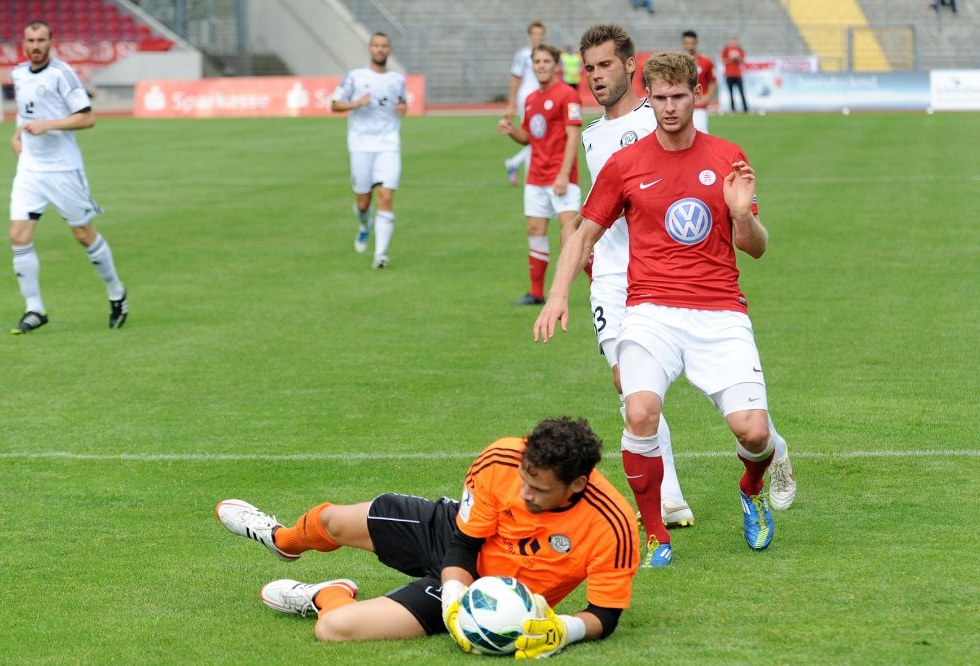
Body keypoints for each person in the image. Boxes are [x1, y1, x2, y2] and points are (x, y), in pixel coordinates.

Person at [534, 51, 795, 560]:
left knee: (754, 432)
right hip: (651, 311)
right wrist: (558, 293)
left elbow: (756, 247)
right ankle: (658, 533)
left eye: (679, 96)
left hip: (720, 311)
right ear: (648, 98)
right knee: (639, 412)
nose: (669, 107)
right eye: (660, 98)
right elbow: (584, 235)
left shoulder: (727, 156)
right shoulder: (625, 164)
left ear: (696, 95)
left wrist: (743, 216)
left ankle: (752, 489)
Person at [215, 416, 639, 659]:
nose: (525, 494)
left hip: (491, 595)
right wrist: (454, 589)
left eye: (539, 490)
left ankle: (325, 595)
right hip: (455, 539)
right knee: (332, 520)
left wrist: (563, 630)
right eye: (524, 481)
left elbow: (605, 614)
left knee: (335, 628)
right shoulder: (501, 459)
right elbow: (465, 543)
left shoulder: (612, 524)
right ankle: (282, 540)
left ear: (577, 483)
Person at [578, 25, 694, 562]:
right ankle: (669, 499)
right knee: (629, 385)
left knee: (710, 386)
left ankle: (766, 448)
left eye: (605, 65)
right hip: (611, 275)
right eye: (590, 68)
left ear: (630, 65)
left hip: (663, 272)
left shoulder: (660, 116)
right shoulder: (591, 135)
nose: (597, 76)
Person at [8, 20, 127, 334]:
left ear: (51, 42)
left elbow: (88, 118)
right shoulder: (18, 73)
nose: (36, 46)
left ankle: (117, 293)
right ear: (23, 43)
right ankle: (35, 309)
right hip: (30, 169)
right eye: (30, 40)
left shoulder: (62, 73)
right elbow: (25, 110)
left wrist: (48, 125)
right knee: (18, 235)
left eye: (41, 40)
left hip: (63, 169)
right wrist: (18, 134)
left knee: (83, 235)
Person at [498, 44, 583, 306]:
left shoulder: (568, 94)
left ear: (556, 65)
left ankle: (598, 288)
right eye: (537, 62)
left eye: (546, 61)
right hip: (535, 176)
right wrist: (511, 131)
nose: (541, 65)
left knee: (572, 234)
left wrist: (563, 174)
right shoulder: (531, 98)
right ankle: (536, 293)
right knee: (535, 229)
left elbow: (573, 136)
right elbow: (528, 137)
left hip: (561, 177)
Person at [331, 32, 407, 269]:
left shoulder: (397, 79)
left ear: (389, 50)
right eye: (376, 45)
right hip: (361, 145)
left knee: (386, 196)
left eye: (384, 46)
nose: (380, 49)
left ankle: (381, 254)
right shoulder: (355, 77)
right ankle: (365, 225)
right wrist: (356, 103)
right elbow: (334, 104)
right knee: (363, 203)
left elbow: (402, 103)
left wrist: (403, 108)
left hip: (388, 144)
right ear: (370, 49)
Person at [503, 21, 546, 186]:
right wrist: (511, 104)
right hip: (527, 99)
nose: (538, 37)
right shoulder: (522, 55)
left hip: (543, 98)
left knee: (541, 137)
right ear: (530, 35)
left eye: (540, 34)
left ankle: (514, 163)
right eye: (535, 34)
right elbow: (515, 79)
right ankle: (530, 177)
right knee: (534, 136)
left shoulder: (546, 53)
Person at [681, 30, 717, 133]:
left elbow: (713, 82)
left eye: (692, 43)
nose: (690, 46)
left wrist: (706, 98)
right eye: (687, 43)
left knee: (701, 134)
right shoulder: (677, 63)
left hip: (699, 107)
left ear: (696, 43)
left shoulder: (706, 62)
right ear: (683, 43)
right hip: (682, 106)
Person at [720, 36, 749, 113]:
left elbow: (743, 60)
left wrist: (737, 59)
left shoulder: (739, 50)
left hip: (738, 75)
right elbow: (723, 60)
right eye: (732, 41)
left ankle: (745, 109)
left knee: (741, 92)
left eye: (734, 41)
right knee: (731, 93)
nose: (733, 43)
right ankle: (733, 109)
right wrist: (732, 60)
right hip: (729, 75)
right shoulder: (726, 50)